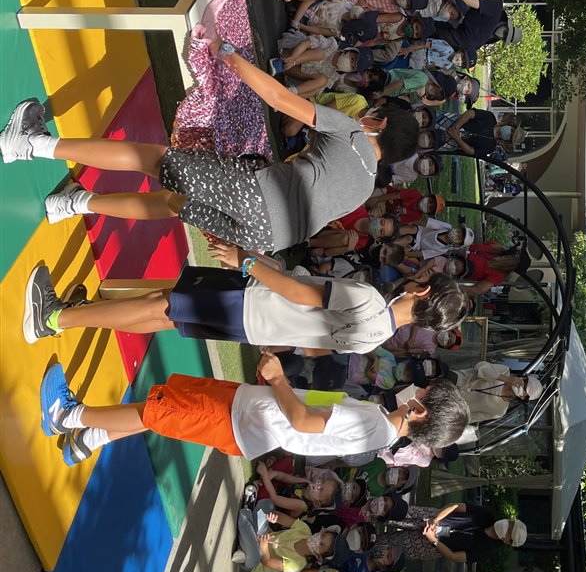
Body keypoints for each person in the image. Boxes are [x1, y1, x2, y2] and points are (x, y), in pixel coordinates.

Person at [1, 58, 417, 253]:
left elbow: (278, 99)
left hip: (258, 199)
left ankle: (31, 144)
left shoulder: (351, 130)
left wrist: (232, 57)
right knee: (172, 202)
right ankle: (73, 204)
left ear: (378, 122)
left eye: (371, 111)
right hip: (267, 239)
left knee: (152, 158)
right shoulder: (366, 189)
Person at [36, 353, 471, 466]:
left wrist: (279, 379)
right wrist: (283, 385)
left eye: (425, 389)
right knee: (161, 412)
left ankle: (66, 415)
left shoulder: (373, 422)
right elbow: (316, 412)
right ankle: (88, 441)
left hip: (240, 419)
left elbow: (304, 421)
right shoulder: (377, 428)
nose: (417, 385)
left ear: (419, 412)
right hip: (248, 413)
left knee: (156, 412)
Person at [23, 255, 468, 356]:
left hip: (252, 304)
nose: (418, 273)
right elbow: (314, 344)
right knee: (164, 316)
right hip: (256, 327)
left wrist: (249, 262)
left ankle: (55, 317)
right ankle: (74, 316)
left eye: (425, 277)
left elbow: (299, 294)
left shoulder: (370, 300)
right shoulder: (378, 337)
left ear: (422, 293)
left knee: (162, 304)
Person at [384, 500, 527, 562]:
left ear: (508, 541)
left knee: (387, 548)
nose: (507, 526)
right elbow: (457, 506)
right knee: (388, 512)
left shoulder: (485, 550)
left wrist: (433, 540)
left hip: (430, 546)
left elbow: (454, 556)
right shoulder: (487, 514)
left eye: (510, 531)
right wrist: (435, 519)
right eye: (511, 523)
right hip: (431, 517)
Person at [455, 361, 543, 422]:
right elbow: (480, 366)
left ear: (524, 397)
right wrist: (507, 379)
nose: (522, 384)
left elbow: (471, 418)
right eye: (525, 380)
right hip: (457, 380)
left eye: (525, 388)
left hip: (454, 405)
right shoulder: (505, 371)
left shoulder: (500, 410)